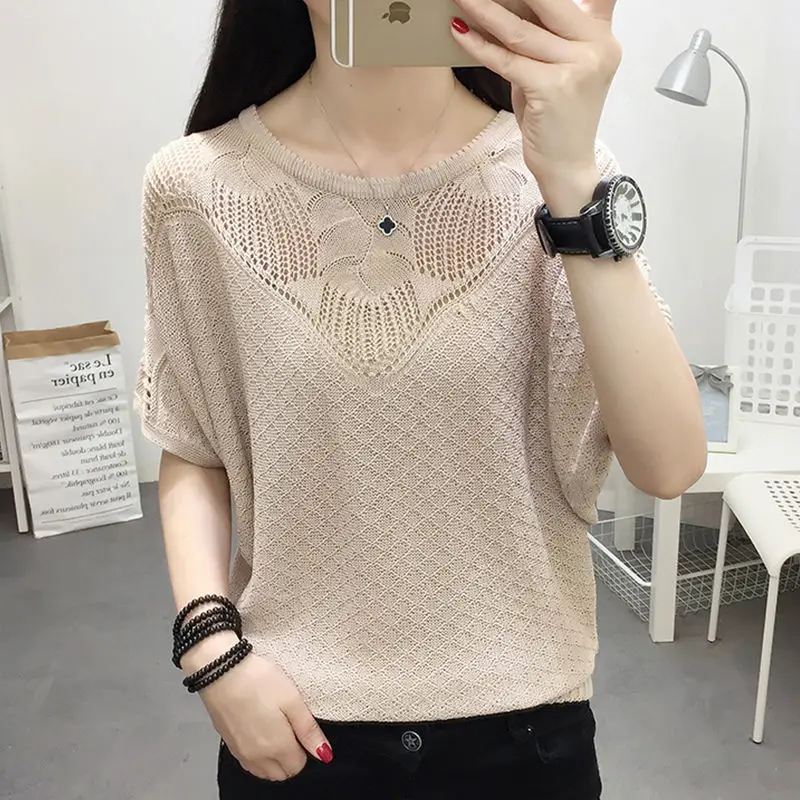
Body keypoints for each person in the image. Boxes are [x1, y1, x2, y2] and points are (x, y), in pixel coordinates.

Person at [135, 0, 707, 797]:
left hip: (526, 732)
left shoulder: (555, 177)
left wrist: (573, 179)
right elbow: (194, 445)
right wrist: (210, 649)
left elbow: (669, 464)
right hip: (294, 725)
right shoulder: (196, 188)